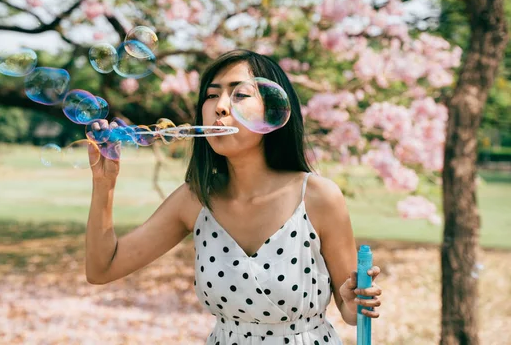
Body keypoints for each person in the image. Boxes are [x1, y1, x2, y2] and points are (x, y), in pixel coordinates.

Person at [85, 50, 383, 344]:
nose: (220, 107)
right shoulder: (194, 200)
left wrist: (355, 301)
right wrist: (104, 183)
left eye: (240, 95)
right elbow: (102, 269)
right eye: (212, 95)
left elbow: (350, 310)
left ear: (274, 110)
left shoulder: (318, 197)